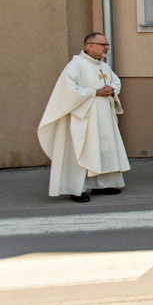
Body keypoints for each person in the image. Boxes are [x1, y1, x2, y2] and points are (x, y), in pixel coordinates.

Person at [38, 32, 130, 202]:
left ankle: (101, 185)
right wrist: (95, 92)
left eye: (107, 44)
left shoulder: (103, 66)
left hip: (103, 118)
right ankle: (77, 190)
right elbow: (69, 91)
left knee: (102, 150)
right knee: (81, 151)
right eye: (102, 44)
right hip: (84, 118)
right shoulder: (76, 65)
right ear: (89, 45)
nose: (106, 48)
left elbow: (116, 81)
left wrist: (111, 89)